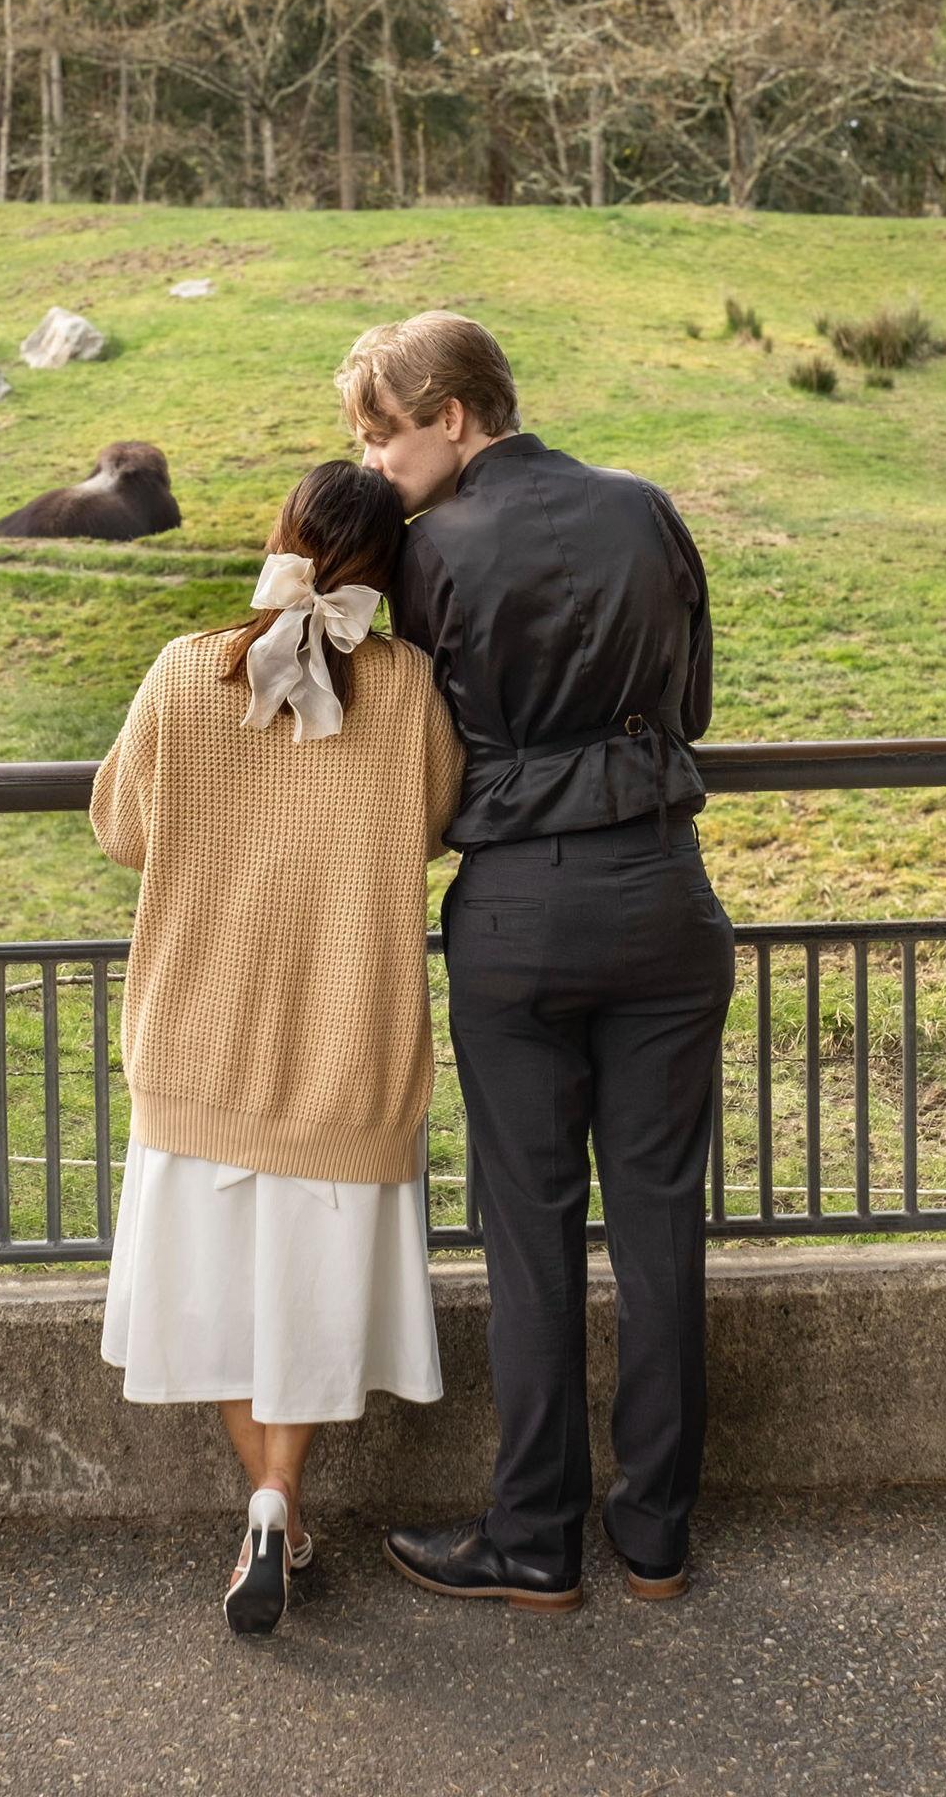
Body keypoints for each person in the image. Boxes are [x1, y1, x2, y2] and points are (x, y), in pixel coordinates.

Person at [342, 310, 736, 1613]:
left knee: (531, 1232)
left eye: (384, 434)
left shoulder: (428, 552)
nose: (376, 461)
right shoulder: (644, 507)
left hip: (518, 910)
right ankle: (657, 1535)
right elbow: (691, 709)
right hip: (665, 892)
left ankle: (533, 1537)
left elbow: (405, 739)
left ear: (452, 414)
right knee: (662, 1220)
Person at [89, 458, 465, 1637]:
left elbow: (121, 827)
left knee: (219, 1300)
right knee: (300, 1297)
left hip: (199, 1039)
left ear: (281, 535)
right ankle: (278, 1498)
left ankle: (266, 1506)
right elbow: (436, 821)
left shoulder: (183, 668)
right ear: (388, 565)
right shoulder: (407, 685)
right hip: (341, 1046)